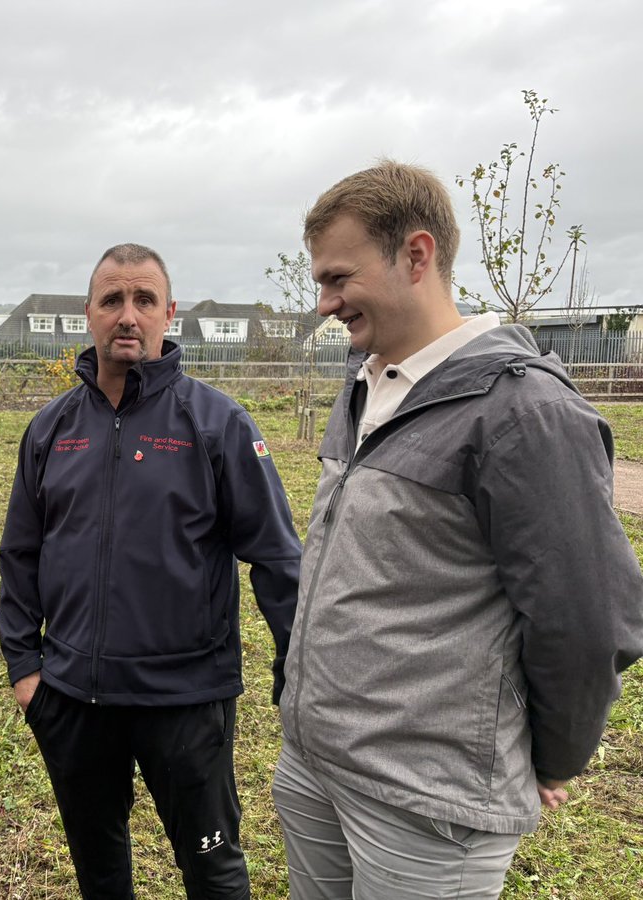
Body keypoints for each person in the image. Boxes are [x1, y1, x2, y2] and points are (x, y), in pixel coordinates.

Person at [274, 160, 643, 899]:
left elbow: (587, 620)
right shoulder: (365, 382)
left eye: (338, 278)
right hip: (316, 765)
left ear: (416, 255)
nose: (324, 303)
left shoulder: (524, 413)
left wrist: (553, 758)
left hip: (425, 805)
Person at [0, 243, 302, 899]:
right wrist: (26, 669)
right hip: (74, 699)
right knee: (100, 872)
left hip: (185, 701)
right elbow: (20, 553)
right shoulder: (51, 429)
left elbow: (277, 558)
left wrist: (299, 674)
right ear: (89, 314)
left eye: (144, 300)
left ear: (170, 313)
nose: (127, 315)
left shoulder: (217, 424)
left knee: (213, 870)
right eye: (112, 300)